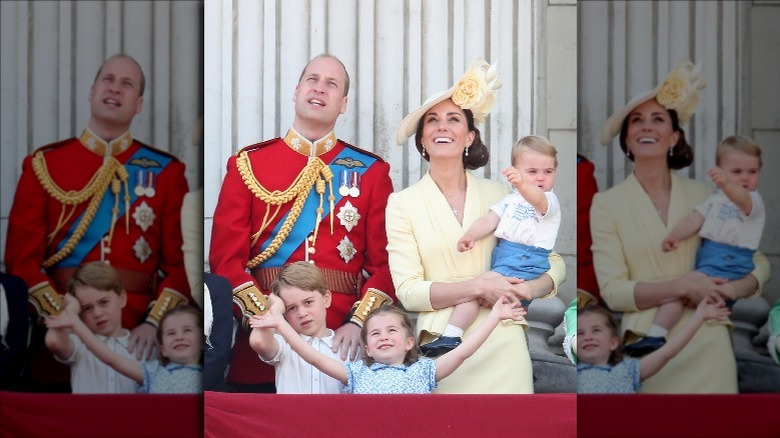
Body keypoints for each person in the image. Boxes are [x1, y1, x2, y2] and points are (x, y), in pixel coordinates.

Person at [209, 54, 396, 392]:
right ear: (296, 91)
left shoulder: (372, 172)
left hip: (342, 346)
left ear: (343, 104)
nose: (319, 89)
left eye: (331, 84)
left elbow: (387, 267)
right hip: (263, 343)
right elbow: (225, 262)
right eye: (312, 79)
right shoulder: (248, 165)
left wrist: (358, 323)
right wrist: (265, 319)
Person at [5, 54, 191, 391]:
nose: (115, 89)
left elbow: (180, 269)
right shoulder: (44, 165)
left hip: (137, 341)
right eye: (108, 80)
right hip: (60, 337)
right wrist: (64, 316)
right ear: (92, 92)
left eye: (127, 84)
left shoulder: (167, 173)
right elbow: (21, 262)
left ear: (139, 104)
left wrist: (153, 324)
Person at [386, 58, 566, 393]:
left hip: (504, 336)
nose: (442, 126)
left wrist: (529, 289)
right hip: (443, 346)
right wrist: (478, 285)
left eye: (453, 119)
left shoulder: (503, 195)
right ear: (422, 139)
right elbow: (408, 292)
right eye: (433, 121)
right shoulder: (402, 204)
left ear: (469, 136)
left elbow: (553, 262)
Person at [591, 59, 770, 393]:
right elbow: (613, 292)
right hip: (646, 348)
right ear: (627, 139)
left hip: (709, 337)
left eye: (657, 119)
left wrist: (733, 290)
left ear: (673, 136)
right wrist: (683, 285)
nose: (647, 127)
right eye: (637, 121)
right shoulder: (606, 205)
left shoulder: (707, 195)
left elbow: (757, 262)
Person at [421, 135, 561, 357]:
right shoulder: (511, 200)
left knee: (476, 288)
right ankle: (460, 336)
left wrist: (523, 183)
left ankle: (451, 335)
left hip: (526, 259)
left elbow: (537, 200)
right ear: (516, 169)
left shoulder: (548, 200)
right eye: (532, 171)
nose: (541, 178)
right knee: (480, 292)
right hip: (505, 255)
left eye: (548, 171)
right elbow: (489, 220)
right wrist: (470, 235)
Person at [627, 135, 766, 356]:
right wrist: (675, 235)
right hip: (709, 259)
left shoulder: (752, 200)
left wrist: (727, 183)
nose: (745, 178)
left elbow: (741, 199)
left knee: (681, 286)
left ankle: (656, 335)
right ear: (720, 169)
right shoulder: (716, 199)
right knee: (678, 293)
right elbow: (693, 220)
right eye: (737, 172)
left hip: (732, 261)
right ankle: (656, 336)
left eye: (752, 172)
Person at [250, 296, 525, 394]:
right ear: (366, 348)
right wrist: (281, 324)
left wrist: (496, 318)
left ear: (408, 342)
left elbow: (463, 352)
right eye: (375, 334)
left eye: (391, 330)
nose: (383, 336)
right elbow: (313, 357)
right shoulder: (357, 373)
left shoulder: (423, 371)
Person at [576, 298, 730, 393]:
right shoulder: (571, 375)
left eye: (596, 330)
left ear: (613, 342)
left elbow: (666, 353)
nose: (588, 337)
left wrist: (699, 316)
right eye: (580, 333)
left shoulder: (627, 371)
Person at [47, 301, 203, 394]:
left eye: (187, 330)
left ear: (203, 341)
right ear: (163, 349)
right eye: (171, 333)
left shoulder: (211, 378)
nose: (179, 337)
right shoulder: (153, 373)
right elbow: (110, 358)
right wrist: (76, 323)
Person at [248, 262, 347, 394]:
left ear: (326, 299)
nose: (302, 313)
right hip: (292, 415)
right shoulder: (284, 345)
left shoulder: (347, 347)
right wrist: (275, 308)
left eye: (308, 302)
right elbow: (258, 341)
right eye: (291, 308)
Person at [43, 262, 141, 393]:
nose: (97, 314)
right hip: (86, 414)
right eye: (87, 308)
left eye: (104, 302)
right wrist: (70, 308)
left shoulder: (142, 347)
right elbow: (53, 341)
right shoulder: (79, 344)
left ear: (122, 299)